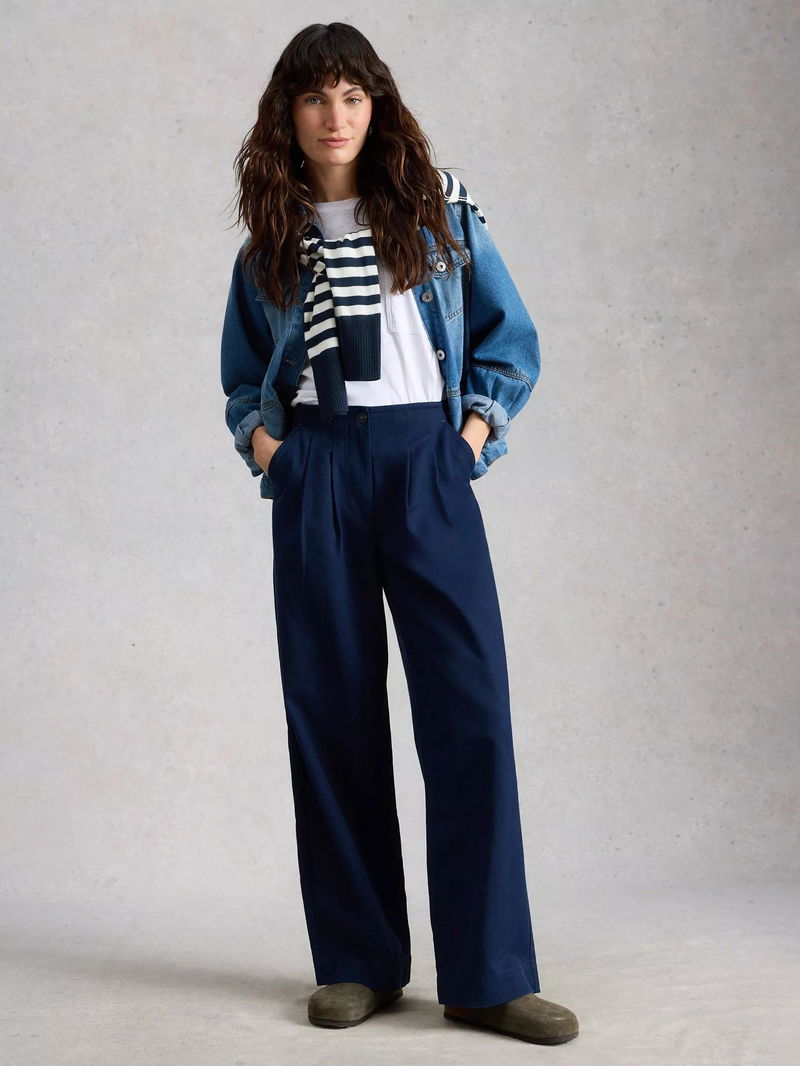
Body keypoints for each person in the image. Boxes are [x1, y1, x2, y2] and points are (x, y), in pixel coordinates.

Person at [220, 22, 579, 1046]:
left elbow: (506, 337)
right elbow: (243, 376)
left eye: (352, 95)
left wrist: (468, 440)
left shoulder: (438, 213)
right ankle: (358, 961)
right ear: (287, 115)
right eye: (314, 97)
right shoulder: (270, 243)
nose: (334, 116)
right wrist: (272, 452)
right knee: (329, 711)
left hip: (426, 462)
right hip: (318, 469)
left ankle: (487, 975)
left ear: (377, 106)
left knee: (469, 710)